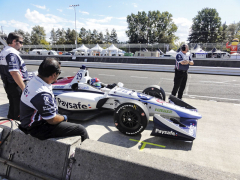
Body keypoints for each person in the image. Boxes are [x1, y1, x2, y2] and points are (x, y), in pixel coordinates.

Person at [19, 57, 89, 142]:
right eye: (59, 72)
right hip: (36, 128)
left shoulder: (35, 80)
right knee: (81, 129)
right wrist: (64, 118)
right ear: (54, 75)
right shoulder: (42, 93)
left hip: (29, 120)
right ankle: (87, 152)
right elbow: (51, 120)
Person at [0, 32, 28, 120]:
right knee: (19, 110)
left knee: (13, 107)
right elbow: (14, 73)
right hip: (16, 85)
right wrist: (24, 88)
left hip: (9, 84)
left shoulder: (4, 51)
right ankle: (18, 130)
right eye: (21, 42)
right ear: (14, 41)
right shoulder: (11, 53)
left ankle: (11, 124)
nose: (22, 45)